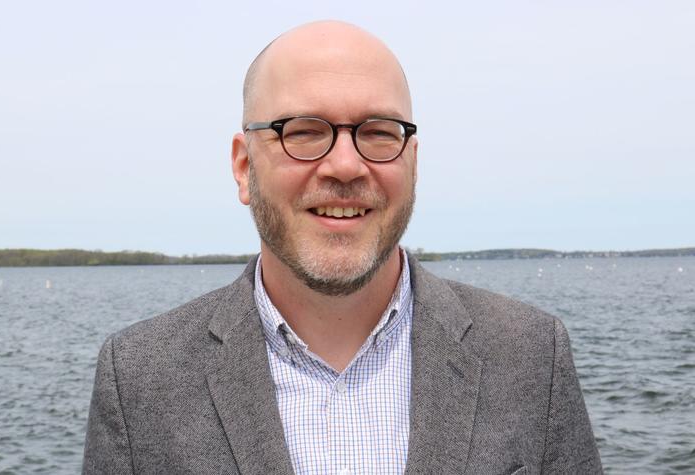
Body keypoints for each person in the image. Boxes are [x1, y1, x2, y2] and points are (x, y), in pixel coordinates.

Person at [83, 21, 602, 474]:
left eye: (379, 132)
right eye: (304, 131)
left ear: (413, 163)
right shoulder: (140, 378)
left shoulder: (532, 353)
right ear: (244, 167)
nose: (346, 166)